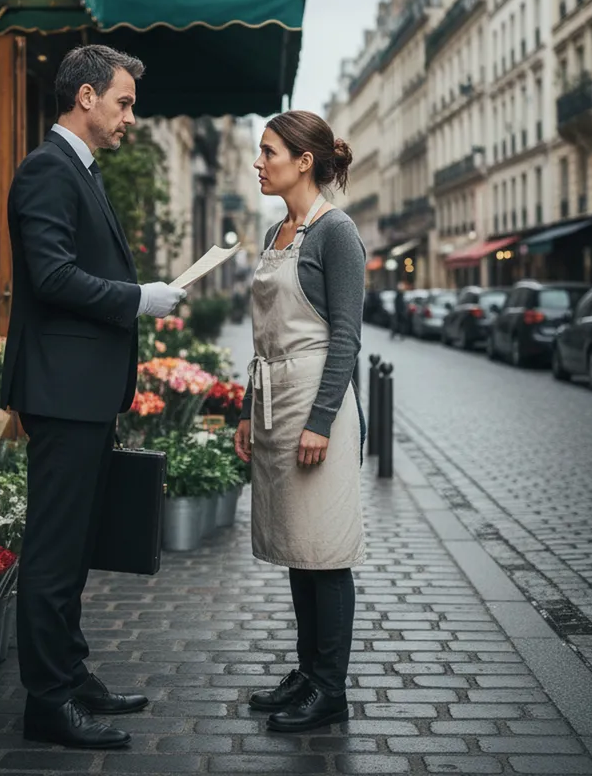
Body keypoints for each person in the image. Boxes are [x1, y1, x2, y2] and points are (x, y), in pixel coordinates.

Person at [0, 44, 186, 750]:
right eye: (123, 102)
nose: (129, 117)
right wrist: (141, 300)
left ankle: (71, 676)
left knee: (74, 550)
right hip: (62, 391)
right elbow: (51, 277)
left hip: (82, 390)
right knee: (54, 553)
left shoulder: (76, 168)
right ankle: (48, 703)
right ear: (85, 97)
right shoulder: (48, 169)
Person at [234, 109, 365, 733]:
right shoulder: (275, 234)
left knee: (326, 549)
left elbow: (345, 339)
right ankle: (308, 672)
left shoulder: (335, 233)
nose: (258, 163)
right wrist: (244, 410)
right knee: (298, 547)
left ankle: (329, 687)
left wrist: (321, 420)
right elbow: (262, 336)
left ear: (303, 161)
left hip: (319, 407)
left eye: (269, 152)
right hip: (273, 399)